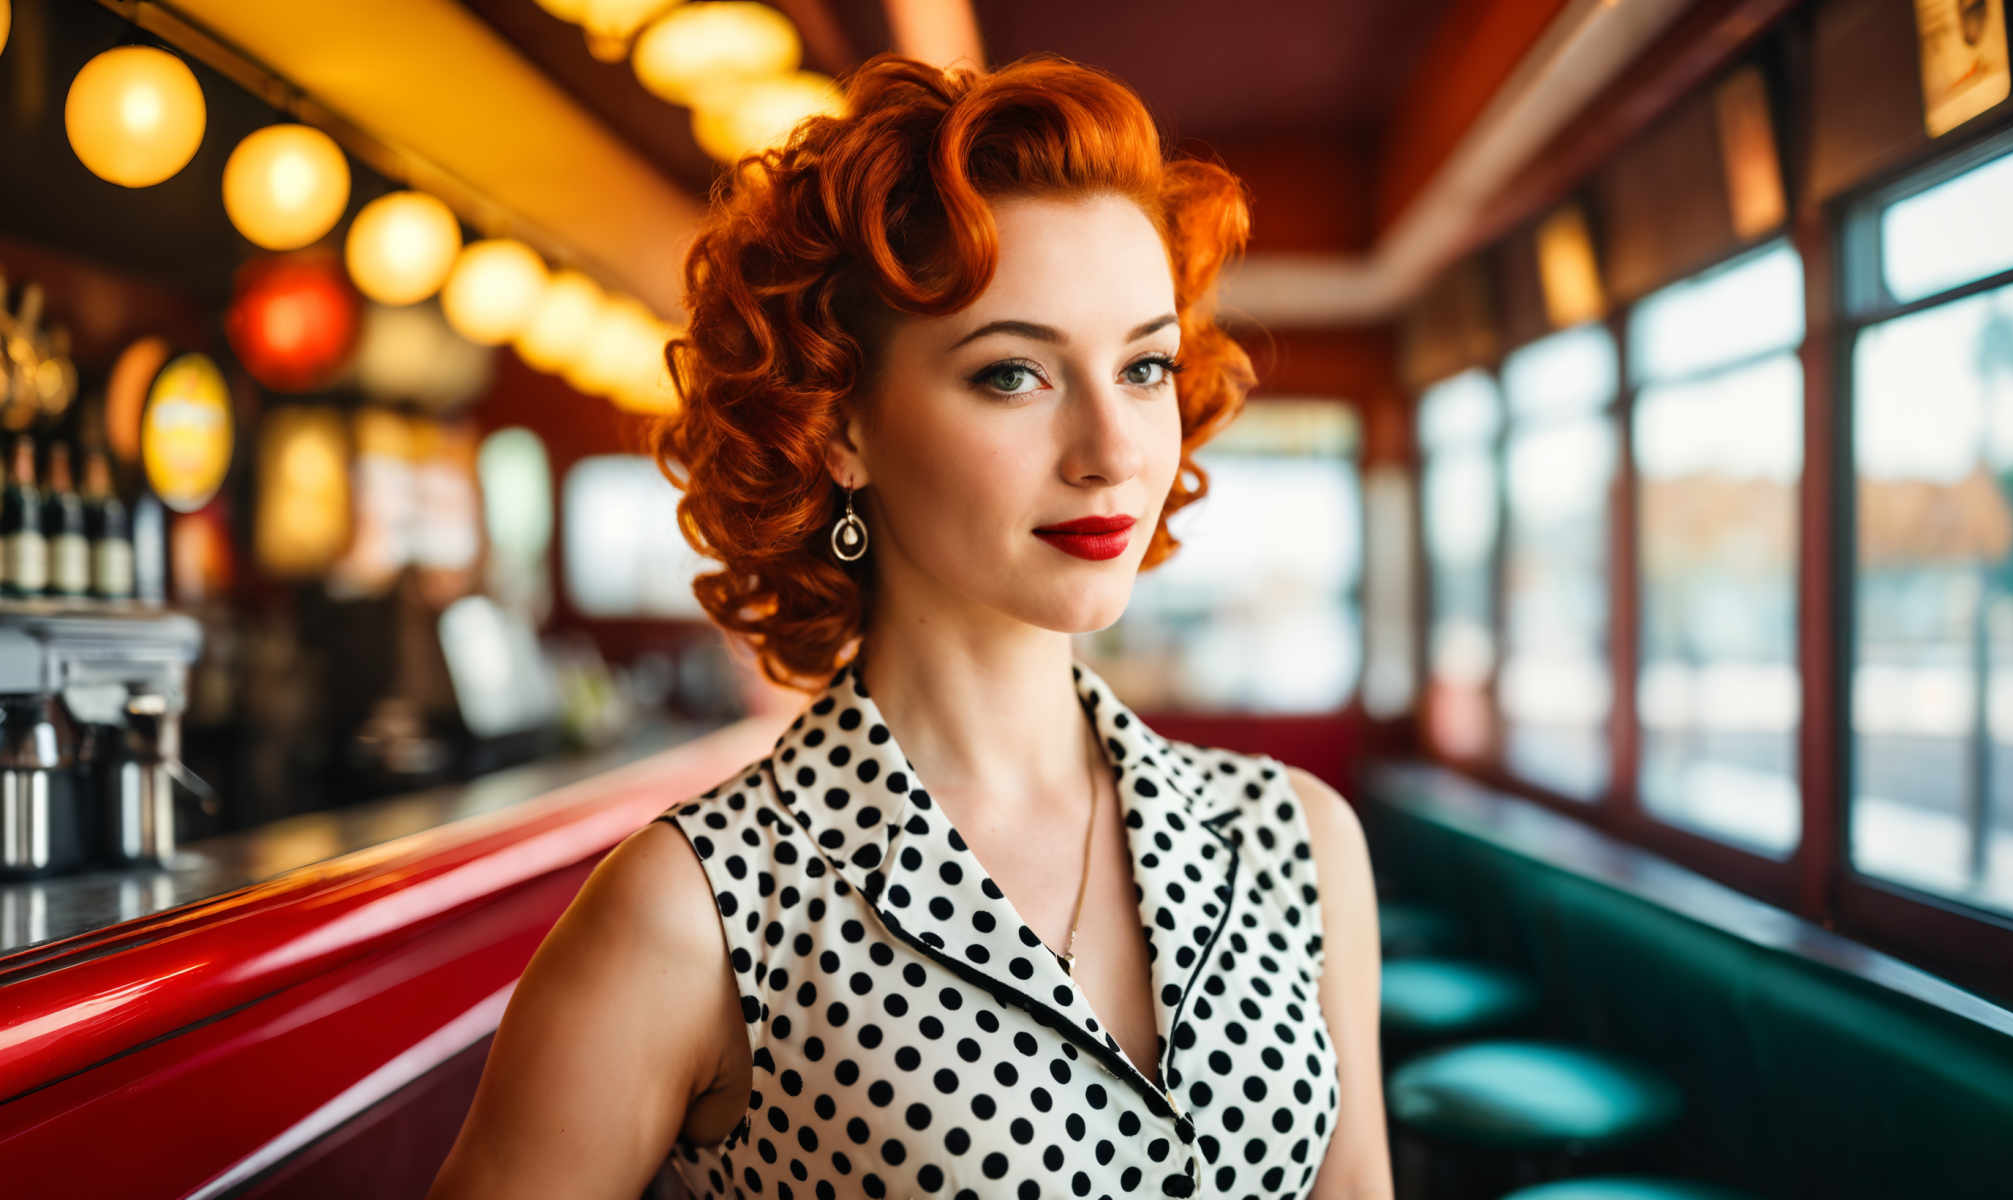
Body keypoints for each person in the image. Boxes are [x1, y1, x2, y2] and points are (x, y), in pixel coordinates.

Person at [428, 51, 1392, 1200]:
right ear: (839, 429)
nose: (1112, 451)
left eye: (1142, 367)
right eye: (1011, 377)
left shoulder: (1295, 842)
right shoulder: (700, 911)